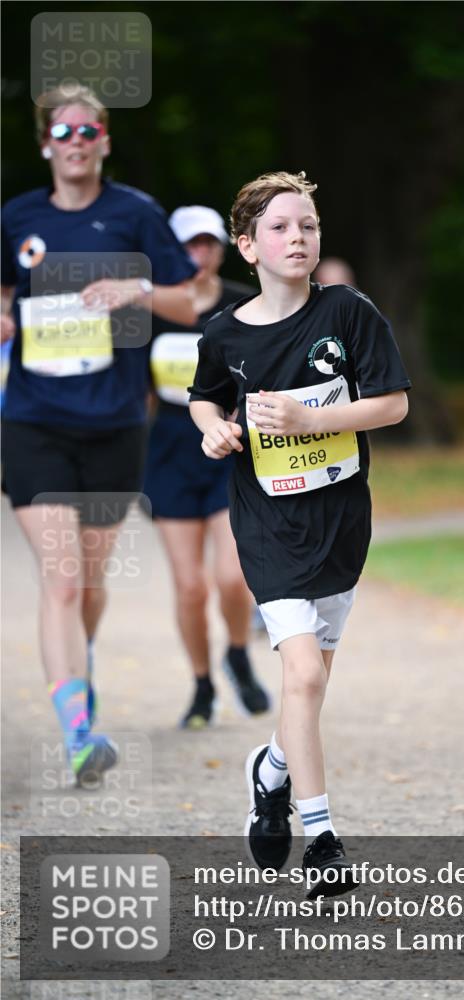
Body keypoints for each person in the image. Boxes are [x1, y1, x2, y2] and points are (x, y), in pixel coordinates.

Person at [189, 171, 410, 897]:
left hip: (340, 519)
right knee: (304, 674)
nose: (298, 238)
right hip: (267, 522)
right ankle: (320, 841)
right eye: (281, 227)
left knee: (308, 691)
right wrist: (216, 431)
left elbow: (392, 405)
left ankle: (271, 771)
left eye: (308, 226)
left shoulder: (347, 312)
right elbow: (204, 400)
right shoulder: (223, 333)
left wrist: (314, 421)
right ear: (246, 245)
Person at [0, 84, 197, 783]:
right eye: (64, 131)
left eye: (88, 130)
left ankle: (78, 674)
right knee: (57, 578)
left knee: (86, 580)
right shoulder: (16, 218)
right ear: (46, 143)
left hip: (115, 424)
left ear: (105, 140)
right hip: (32, 423)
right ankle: (78, 731)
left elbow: (192, 297)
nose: (76, 141)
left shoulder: (135, 215)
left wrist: (135, 292)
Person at [144, 205, 270, 727]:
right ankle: (201, 686)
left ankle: (238, 652)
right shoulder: (152, 311)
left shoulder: (244, 307)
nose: (200, 254)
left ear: (224, 249)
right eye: (189, 245)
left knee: (231, 577)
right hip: (168, 454)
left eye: (209, 244)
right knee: (190, 587)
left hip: (228, 448)